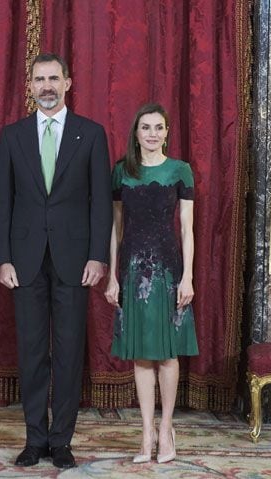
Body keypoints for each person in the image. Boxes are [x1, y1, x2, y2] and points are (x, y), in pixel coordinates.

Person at [0, 53, 112, 469]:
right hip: (24, 260)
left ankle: (61, 440)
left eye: (53, 78)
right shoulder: (12, 136)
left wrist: (98, 255)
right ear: (29, 86)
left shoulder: (92, 134)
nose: (46, 86)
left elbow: (101, 202)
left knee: (67, 352)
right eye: (39, 79)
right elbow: (1, 202)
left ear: (68, 83)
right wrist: (3, 258)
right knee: (30, 351)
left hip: (75, 260)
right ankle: (34, 439)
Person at [104, 103, 198, 464]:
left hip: (168, 271)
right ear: (136, 133)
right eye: (146, 128)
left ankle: (167, 429)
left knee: (167, 353)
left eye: (159, 127)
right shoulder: (121, 172)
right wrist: (112, 275)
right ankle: (146, 433)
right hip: (131, 271)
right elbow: (116, 228)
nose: (153, 134)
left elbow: (187, 229)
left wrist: (188, 276)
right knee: (141, 353)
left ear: (167, 132)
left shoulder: (180, 170)